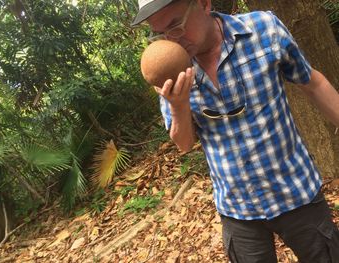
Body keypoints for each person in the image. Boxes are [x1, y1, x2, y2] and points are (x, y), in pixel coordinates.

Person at [132, 0, 339, 262]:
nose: (172, 40)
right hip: (238, 209)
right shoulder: (170, 68)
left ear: (203, 4)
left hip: (296, 191)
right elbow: (183, 143)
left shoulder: (263, 30)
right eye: (160, 33)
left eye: (176, 26)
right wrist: (178, 105)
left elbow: (312, 82)